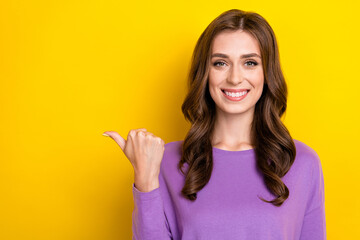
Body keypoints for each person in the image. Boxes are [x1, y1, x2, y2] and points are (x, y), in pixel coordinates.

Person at [103, 9, 326, 240]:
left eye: (250, 62)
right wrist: (145, 179)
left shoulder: (302, 162)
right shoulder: (163, 160)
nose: (235, 78)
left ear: (267, 73)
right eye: (220, 63)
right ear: (205, 72)